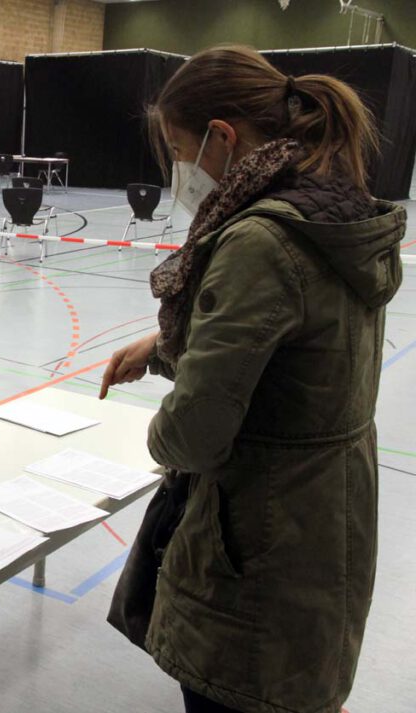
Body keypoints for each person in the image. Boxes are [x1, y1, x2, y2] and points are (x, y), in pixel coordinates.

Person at [100, 45, 403, 713]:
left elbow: (195, 431)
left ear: (223, 138)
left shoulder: (259, 241)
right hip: (325, 521)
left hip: (257, 545)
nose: (182, 173)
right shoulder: (337, 208)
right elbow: (289, 355)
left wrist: (155, 433)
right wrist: (161, 347)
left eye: (182, 151)